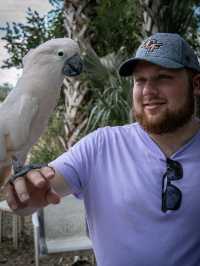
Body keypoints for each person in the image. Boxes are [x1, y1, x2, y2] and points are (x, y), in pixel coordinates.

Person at [4, 32, 200, 266]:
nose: (148, 91)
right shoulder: (101, 145)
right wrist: (27, 193)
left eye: (163, 78)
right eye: (140, 80)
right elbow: (40, 189)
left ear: (196, 84)